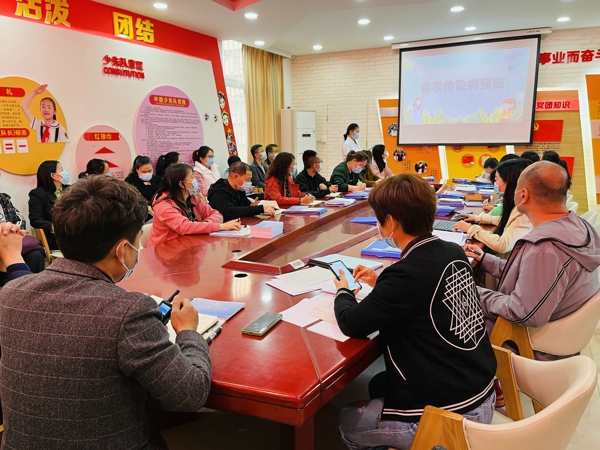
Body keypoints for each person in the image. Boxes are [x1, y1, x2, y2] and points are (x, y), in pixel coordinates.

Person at [0, 176, 212, 449]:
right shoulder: (129, 312)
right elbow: (189, 396)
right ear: (123, 249)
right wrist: (188, 333)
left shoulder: (10, 294)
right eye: (138, 242)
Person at [333, 174, 496, 450]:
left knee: (348, 420)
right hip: (479, 389)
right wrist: (381, 283)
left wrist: (343, 292)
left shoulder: (405, 274)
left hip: (449, 417)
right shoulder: (453, 251)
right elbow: (423, 292)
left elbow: (351, 323)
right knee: (380, 383)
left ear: (391, 222)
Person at [465, 162, 600, 359]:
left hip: (527, 345)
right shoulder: (579, 227)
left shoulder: (545, 249)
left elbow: (522, 311)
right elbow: (531, 278)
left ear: (523, 195)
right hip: (556, 334)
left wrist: (471, 292)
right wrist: (485, 259)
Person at [147, 164, 240, 246]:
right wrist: (219, 226)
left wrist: (205, 224)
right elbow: (184, 227)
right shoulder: (163, 205)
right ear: (181, 184)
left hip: (189, 245)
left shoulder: (193, 198)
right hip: (166, 250)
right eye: (192, 178)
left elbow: (216, 214)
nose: (195, 181)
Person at [454, 159, 532, 255]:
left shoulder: (524, 210)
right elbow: (509, 221)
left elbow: (503, 245)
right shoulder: (517, 204)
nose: (495, 183)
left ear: (509, 182)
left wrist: (471, 229)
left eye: (496, 179)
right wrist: (478, 218)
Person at [208, 162, 276, 221]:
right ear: (236, 177)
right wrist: (259, 209)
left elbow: (245, 206)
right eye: (248, 179)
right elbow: (229, 212)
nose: (250, 182)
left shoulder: (239, 189)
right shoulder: (219, 192)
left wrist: (252, 206)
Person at [28, 160, 70, 250]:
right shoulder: (38, 194)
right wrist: (55, 228)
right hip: (56, 237)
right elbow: (35, 219)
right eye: (61, 170)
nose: (64, 172)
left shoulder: (72, 190)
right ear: (53, 175)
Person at [0, 192, 45, 274]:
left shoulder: (3, 199)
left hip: (10, 241)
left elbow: (20, 220)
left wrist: (15, 229)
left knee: (36, 255)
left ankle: (33, 282)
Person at [124, 156, 161, 220]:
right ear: (137, 170)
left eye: (150, 170)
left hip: (158, 212)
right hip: (139, 215)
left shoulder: (159, 180)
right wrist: (146, 207)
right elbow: (129, 200)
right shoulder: (130, 181)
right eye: (144, 172)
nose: (147, 173)